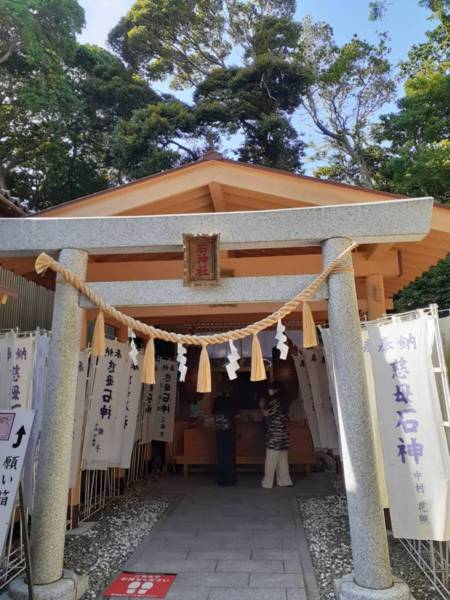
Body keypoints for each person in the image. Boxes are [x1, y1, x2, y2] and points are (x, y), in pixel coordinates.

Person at [261, 380, 293, 488]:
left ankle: (267, 482)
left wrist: (263, 407)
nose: (269, 391)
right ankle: (284, 481)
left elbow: (267, 414)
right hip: (283, 433)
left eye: (271, 389)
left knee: (271, 458)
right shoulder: (286, 401)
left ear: (276, 390)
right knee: (282, 459)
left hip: (275, 433)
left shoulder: (275, 401)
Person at [212, 384, 239, 486]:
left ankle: (221, 480)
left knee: (221, 454)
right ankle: (231, 479)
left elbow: (214, 413)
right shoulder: (233, 400)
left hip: (220, 430)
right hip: (230, 430)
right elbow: (237, 414)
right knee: (230, 454)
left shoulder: (217, 400)